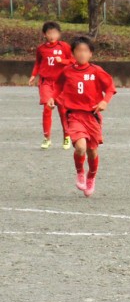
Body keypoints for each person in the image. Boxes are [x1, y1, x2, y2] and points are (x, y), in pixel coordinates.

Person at [48, 36, 117, 198]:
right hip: (74, 115)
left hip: (92, 116)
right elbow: (58, 85)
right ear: (72, 53)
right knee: (80, 147)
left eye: (85, 51)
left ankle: (91, 176)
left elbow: (110, 88)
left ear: (91, 54)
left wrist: (104, 102)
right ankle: (80, 172)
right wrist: (52, 97)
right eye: (78, 51)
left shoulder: (96, 71)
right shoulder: (67, 71)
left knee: (92, 152)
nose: (82, 54)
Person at [29, 21, 72, 150]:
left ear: (59, 34)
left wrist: (62, 61)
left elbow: (73, 60)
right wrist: (33, 75)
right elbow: (38, 63)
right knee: (47, 108)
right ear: (44, 34)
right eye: (49, 33)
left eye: (54, 33)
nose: (52, 35)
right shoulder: (41, 49)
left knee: (63, 110)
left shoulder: (64, 47)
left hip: (61, 83)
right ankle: (47, 138)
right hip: (46, 82)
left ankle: (67, 136)